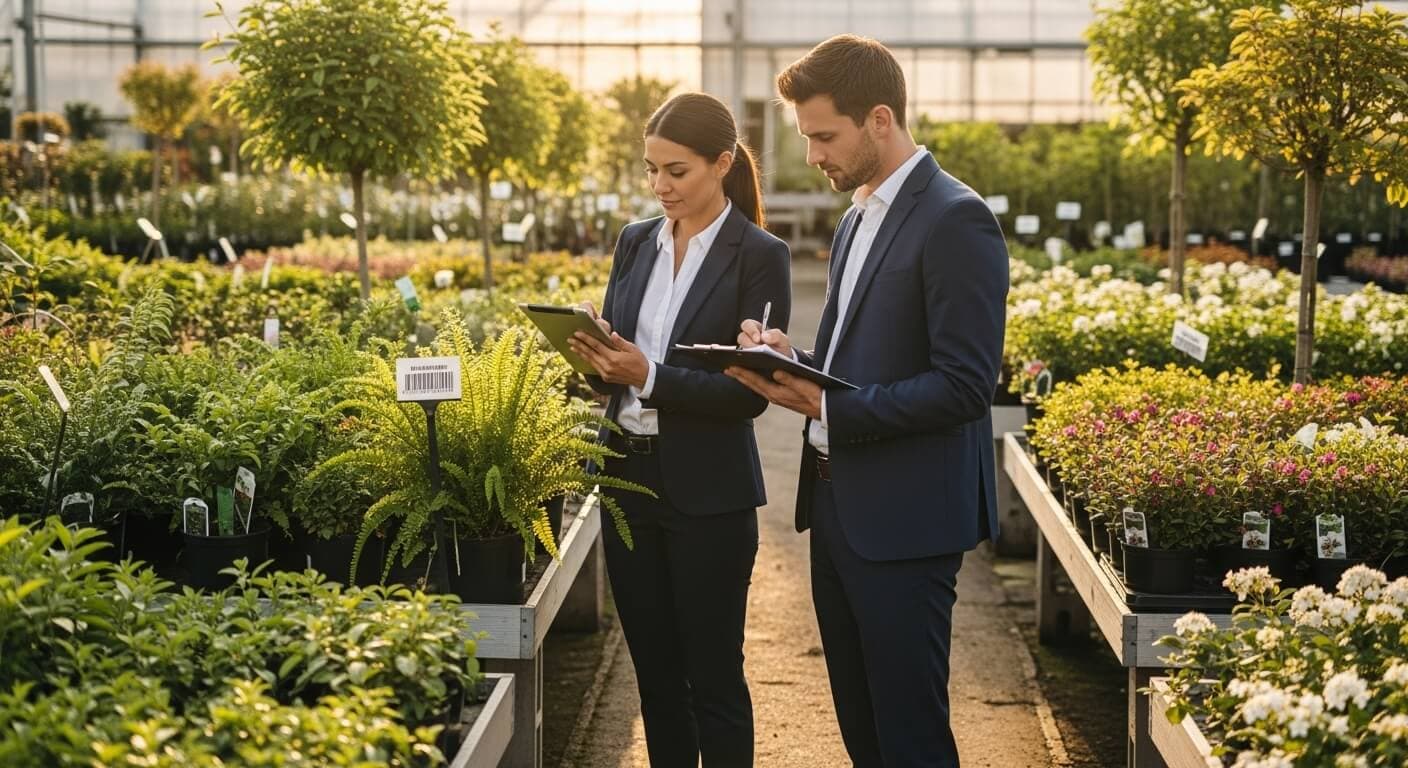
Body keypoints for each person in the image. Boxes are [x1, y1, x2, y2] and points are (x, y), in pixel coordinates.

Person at [725, 35, 1010, 768]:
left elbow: (965, 384)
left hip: (908, 524)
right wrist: (796, 361)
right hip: (839, 511)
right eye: (807, 138)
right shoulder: (858, 216)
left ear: (880, 119)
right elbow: (863, 363)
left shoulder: (956, 219)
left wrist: (828, 409)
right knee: (862, 725)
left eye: (824, 136)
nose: (813, 155)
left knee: (910, 734)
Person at [567, 91, 792, 768]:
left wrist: (649, 373)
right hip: (627, 477)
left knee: (714, 678)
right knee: (657, 679)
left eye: (676, 171)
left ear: (722, 163)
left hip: (710, 491)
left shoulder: (760, 253)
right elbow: (619, 369)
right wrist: (594, 358)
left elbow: (748, 394)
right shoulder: (636, 240)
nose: (660, 185)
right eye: (650, 170)